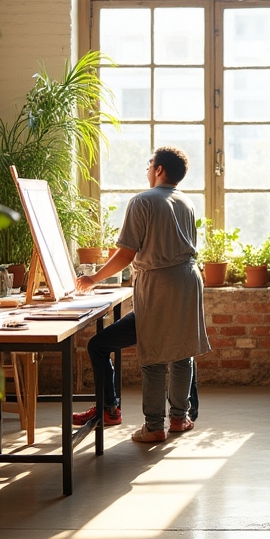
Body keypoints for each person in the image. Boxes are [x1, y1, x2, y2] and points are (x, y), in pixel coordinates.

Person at [72, 147, 210, 443]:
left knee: (154, 355)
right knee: (182, 352)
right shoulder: (186, 202)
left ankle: (153, 426)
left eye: (150, 165)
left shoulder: (142, 201)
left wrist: (94, 278)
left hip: (160, 283)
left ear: (159, 169)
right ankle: (178, 419)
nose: (147, 170)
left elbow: (126, 253)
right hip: (188, 280)